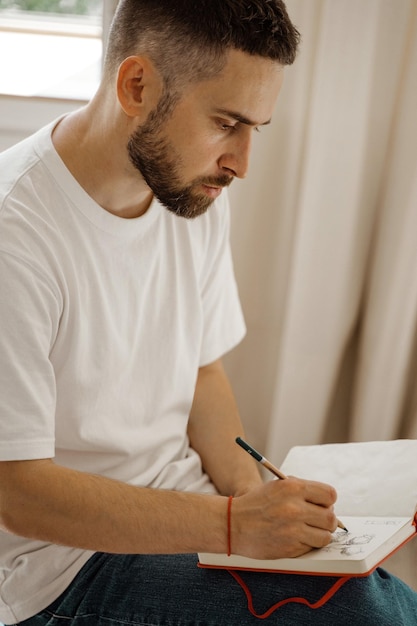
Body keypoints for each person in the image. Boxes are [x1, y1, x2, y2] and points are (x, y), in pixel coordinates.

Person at [0, 1, 416, 624]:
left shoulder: (190, 193)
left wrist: (262, 505)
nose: (241, 164)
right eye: (227, 123)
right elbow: (17, 491)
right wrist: (232, 525)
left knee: (383, 597)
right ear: (135, 85)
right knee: (364, 615)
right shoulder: (16, 235)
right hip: (60, 567)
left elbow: (202, 374)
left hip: (182, 508)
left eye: (256, 129)